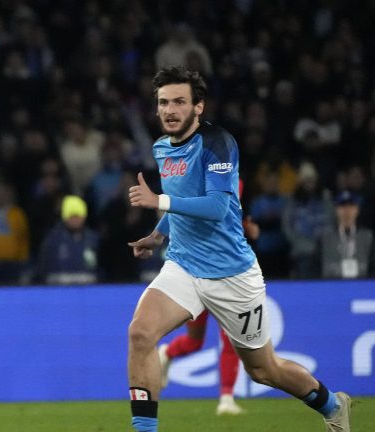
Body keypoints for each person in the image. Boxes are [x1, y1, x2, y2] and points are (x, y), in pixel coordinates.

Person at [125, 66, 351, 432]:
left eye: (179, 102)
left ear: (198, 107)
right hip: (183, 266)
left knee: (264, 370)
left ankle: (332, 405)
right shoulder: (161, 147)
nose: (170, 110)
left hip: (232, 275)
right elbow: (184, 200)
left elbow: (215, 207)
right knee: (140, 333)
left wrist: (158, 202)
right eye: (163, 102)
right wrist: (158, 233)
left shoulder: (218, 143)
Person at [157, 179, 261, 416]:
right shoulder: (213, 184)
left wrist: (247, 227)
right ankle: (168, 353)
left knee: (230, 339)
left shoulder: (229, 180)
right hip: (195, 273)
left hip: (225, 275)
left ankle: (226, 397)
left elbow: (230, 220)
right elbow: (214, 214)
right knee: (195, 341)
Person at [320, 190, 374, 279]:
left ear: (357, 210)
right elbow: (315, 266)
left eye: (351, 206)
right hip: (331, 287)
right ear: (336, 210)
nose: (347, 211)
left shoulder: (368, 236)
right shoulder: (324, 237)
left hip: (362, 287)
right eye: (342, 206)